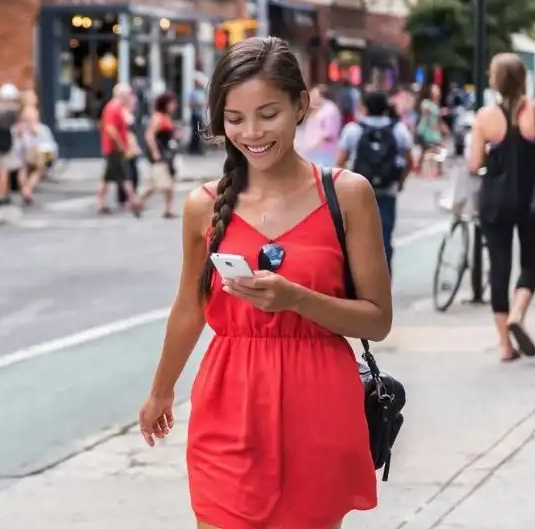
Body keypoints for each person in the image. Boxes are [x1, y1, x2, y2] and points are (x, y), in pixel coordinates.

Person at [138, 36, 390, 529]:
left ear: (301, 106)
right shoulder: (202, 205)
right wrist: (161, 390)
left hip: (318, 406)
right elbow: (190, 307)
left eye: (268, 114)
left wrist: (295, 298)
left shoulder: (349, 195)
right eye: (235, 119)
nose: (252, 132)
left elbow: (378, 321)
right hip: (228, 403)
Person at [470, 53, 535, 362]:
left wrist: (491, 153)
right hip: (532, 199)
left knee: (499, 267)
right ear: (523, 79)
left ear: (495, 80)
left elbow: (474, 163)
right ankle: (518, 313)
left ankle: (504, 346)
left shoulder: (485, 117)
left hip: (495, 201)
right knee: (531, 262)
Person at [336, 91, 415, 273]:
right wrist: (400, 181)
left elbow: (340, 161)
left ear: (365, 108)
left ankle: (358, 280)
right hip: (388, 191)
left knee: (355, 238)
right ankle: (383, 281)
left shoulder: (353, 130)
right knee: (384, 238)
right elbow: (410, 160)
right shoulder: (398, 129)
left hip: (358, 193)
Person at [95, 84, 141, 215]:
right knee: (122, 176)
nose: (130, 98)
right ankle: (133, 201)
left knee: (113, 177)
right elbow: (110, 129)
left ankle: (104, 202)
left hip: (115, 148)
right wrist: (120, 144)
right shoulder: (113, 108)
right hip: (114, 148)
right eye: (128, 95)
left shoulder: (117, 108)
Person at [139, 93, 180, 218]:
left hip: (168, 153)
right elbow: (149, 135)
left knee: (170, 181)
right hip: (161, 153)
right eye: (172, 103)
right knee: (158, 183)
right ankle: (138, 199)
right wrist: (155, 151)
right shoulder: (157, 117)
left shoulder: (166, 117)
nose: (174, 106)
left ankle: (169, 209)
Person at [0, 84, 21, 206]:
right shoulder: (13, 110)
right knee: (4, 170)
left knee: (0, 169)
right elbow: (16, 127)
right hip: (8, 142)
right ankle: (0, 195)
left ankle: (5, 193)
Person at [298, 84, 342, 166]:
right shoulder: (319, 109)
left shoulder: (329, 111)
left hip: (323, 157)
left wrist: (310, 148)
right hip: (314, 156)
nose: (311, 98)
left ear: (321, 96)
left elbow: (328, 135)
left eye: (314, 95)